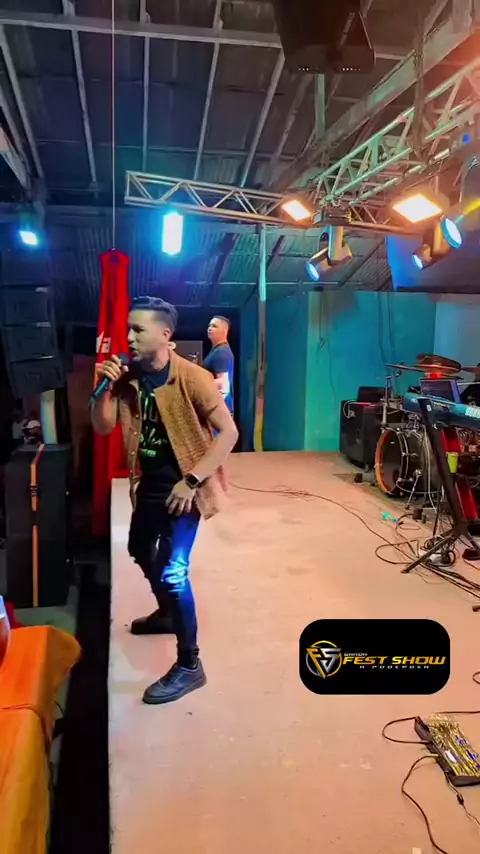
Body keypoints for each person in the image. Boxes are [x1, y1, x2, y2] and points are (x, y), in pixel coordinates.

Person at [91, 296, 238, 705]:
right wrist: (102, 389)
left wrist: (191, 480)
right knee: (139, 548)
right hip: (150, 484)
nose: (129, 337)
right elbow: (102, 427)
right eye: (129, 329)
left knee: (174, 572)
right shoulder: (128, 377)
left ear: (165, 334)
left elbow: (228, 433)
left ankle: (190, 665)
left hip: (186, 488)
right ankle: (169, 612)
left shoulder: (192, 377)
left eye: (138, 330)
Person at [203, 316, 235, 415]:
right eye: (209, 326)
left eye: (214, 326)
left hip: (219, 411)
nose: (210, 328)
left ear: (224, 331)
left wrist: (199, 384)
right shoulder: (217, 350)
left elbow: (223, 384)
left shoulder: (222, 352)